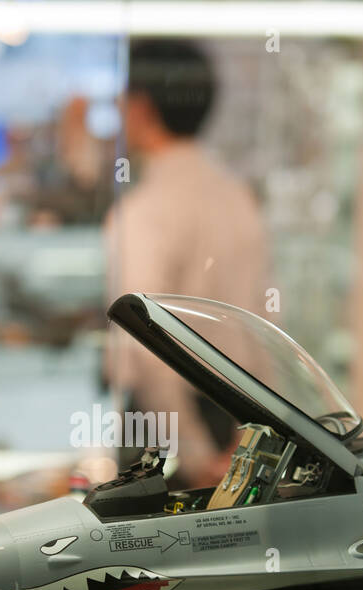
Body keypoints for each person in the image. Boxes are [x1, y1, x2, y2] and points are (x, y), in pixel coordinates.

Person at [103, 39, 271, 489]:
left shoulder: (144, 210)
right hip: (239, 414)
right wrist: (261, 432)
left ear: (139, 107)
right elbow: (263, 324)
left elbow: (148, 346)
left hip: (167, 427)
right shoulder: (237, 196)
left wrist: (192, 453)